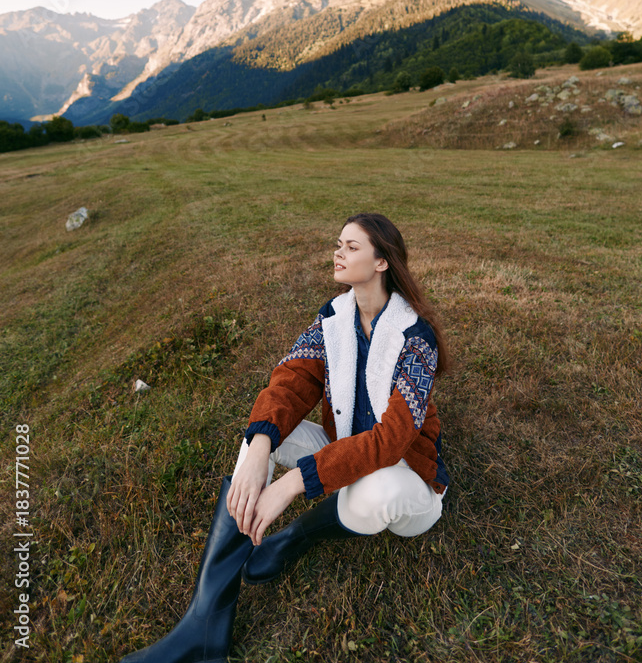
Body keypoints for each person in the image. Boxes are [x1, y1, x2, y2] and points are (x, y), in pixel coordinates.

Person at [119, 212, 450, 663]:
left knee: (378, 489)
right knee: (259, 439)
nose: (338, 252)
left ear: (381, 262)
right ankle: (205, 623)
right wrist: (260, 452)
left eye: (352, 247)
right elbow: (291, 382)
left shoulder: (416, 338)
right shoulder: (334, 318)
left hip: (407, 482)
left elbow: (389, 444)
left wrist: (292, 484)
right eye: (339, 243)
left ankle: (294, 537)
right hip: (344, 451)